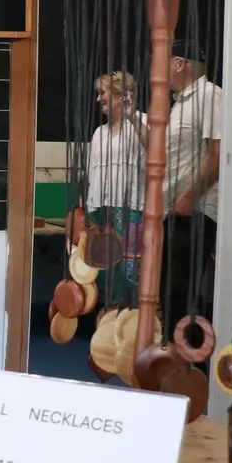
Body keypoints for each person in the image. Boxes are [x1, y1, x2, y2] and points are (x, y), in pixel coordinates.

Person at [160, 47, 223, 335]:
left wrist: (187, 199)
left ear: (179, 63)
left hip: (194, 213)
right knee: (171, 296)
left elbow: (217, 154)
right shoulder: (180, 104)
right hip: (176, 212)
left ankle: (189, 373)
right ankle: (173, 369)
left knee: (182, 297)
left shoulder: (209, 95)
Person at [85, 70, 144, 304]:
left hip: (130, 209)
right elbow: (93, 173)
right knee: (105, 270)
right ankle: (110, 326)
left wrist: (132, 117)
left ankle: (133, 323)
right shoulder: (99, 132)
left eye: (103, 93)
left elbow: (157, 147)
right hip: (102, 209)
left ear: (121, 96)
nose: (99, 99)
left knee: (129, 271)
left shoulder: (141, 123)